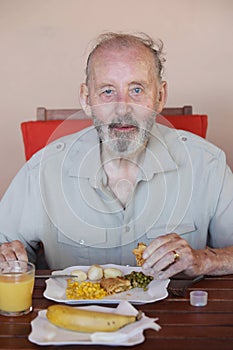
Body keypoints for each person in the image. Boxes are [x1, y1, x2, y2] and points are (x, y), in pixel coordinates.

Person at [1, 32, 233, 279]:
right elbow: (4, 250)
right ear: (86, 98)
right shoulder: (42, 169)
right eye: (108, 91)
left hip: (179, 315)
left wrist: (204, 260)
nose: (123, 108)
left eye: (136, 89)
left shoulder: (208, 164)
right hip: (72, 317)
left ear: (160, 97)